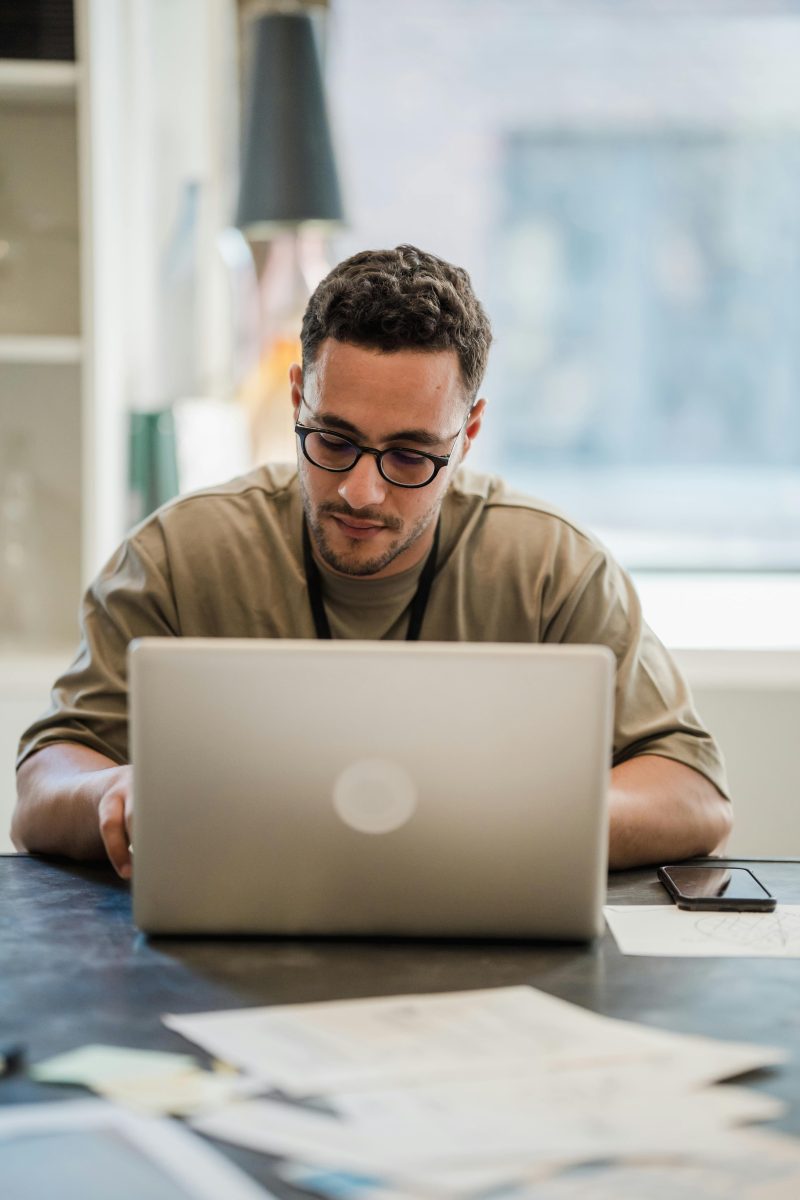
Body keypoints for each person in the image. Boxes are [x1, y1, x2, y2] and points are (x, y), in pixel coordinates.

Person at [12, 244, 731, 879]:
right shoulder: (174, 556)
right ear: (299, 396)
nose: (361, 490)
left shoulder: (552, 568)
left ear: (470, 431)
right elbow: (46, 781)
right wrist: (110, 792)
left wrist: (525, 828)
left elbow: (694, 791)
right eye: (332, 440)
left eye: (411, 455)